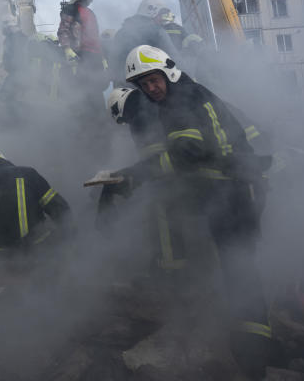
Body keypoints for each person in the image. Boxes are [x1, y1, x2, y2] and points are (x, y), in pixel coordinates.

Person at [117, 45, 274, 379]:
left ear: (168, 70)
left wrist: (136, 173)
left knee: (238, 270)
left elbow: (188, 151)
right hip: (236, 190)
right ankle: (251, 347)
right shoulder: (193, 92)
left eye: (153, 80)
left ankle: (253, 359)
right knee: (239, 269)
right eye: (143, 85)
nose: (150, 89)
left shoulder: (180, 98)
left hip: (231, 193)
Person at [0, 149, 71, 254]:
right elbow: (58, 207)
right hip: (41, 251)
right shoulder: (30, 175)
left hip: (4, 259)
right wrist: (71, 239)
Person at [109, 0, 178, 84]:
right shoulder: (157, 31)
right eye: (160, 15)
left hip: (123, 90)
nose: (161, 19)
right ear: (152, 12)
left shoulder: (120, 33)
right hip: (150, 89)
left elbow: (113, 64)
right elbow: (174, 59)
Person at [57, 0, 104, 73]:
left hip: (95, 60)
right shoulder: (71, 9)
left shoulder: (91, 13)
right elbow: (63, 31)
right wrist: (67, 49)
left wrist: (102, 57)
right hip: (79, 59)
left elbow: (96, 37)